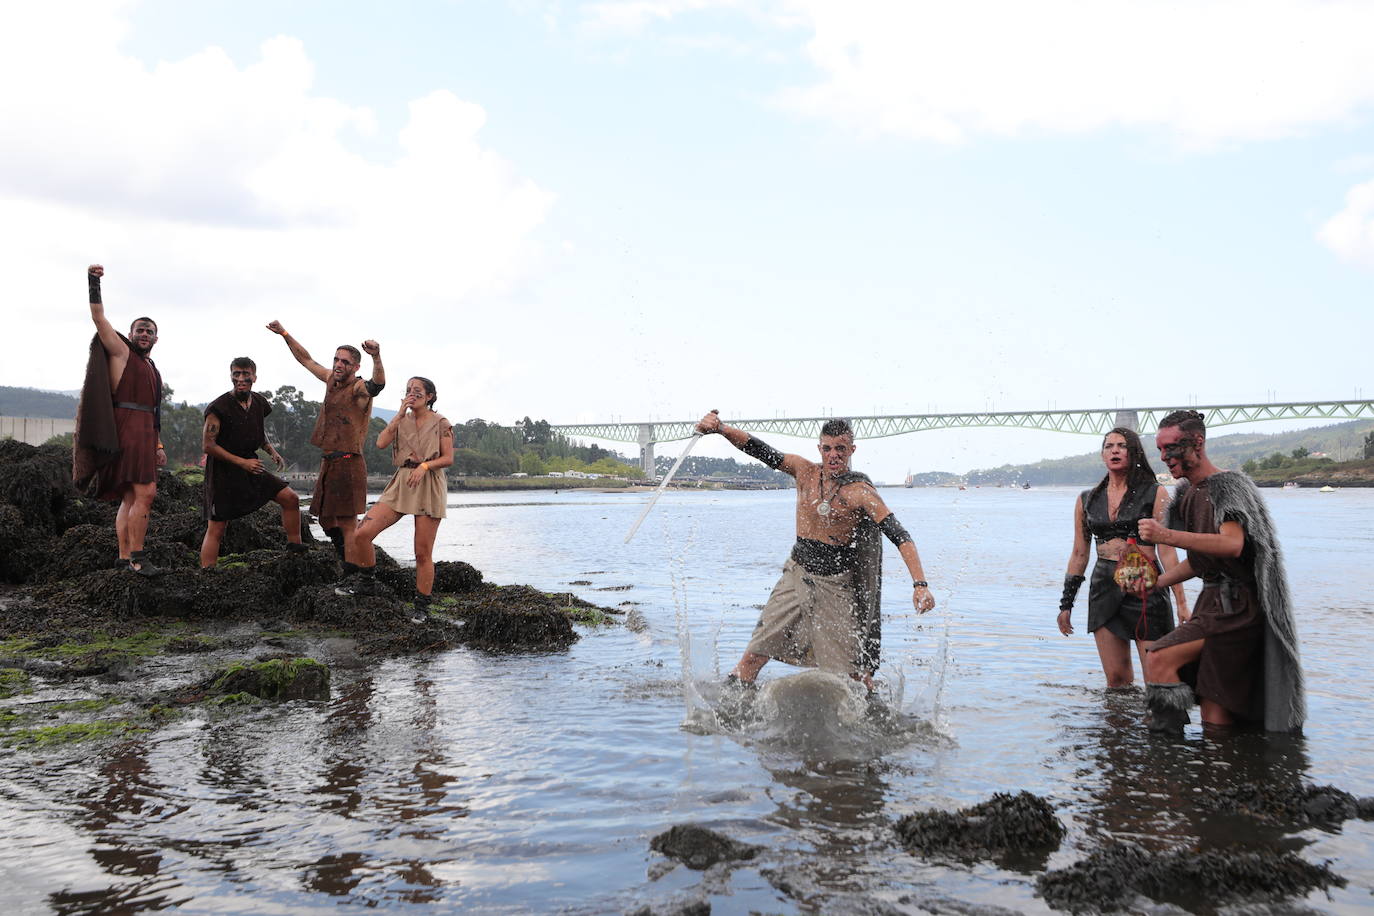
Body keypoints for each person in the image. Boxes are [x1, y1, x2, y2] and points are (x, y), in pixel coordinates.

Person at [695, 412, 936, 691]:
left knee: (852, 677)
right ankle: (728, 710)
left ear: (851, 450)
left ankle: (873, 721)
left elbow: (900, 536)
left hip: (836, 586)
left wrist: (920, 585)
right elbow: (761, 450)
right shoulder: (804, 471)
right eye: (828, 448)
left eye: (840, 449)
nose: (833, 455)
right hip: (796, 574)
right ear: (819, 448)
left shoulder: (861, 492)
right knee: (754, 654)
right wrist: (721, 429)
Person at [1138, 409, 1305, 733]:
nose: (1163, 457)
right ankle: (1223, 773)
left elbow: (1232, 545)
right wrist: (1157, 583)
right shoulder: (1187, 494)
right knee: (1216, 708)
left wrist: (1166, 536)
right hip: (1212, 605)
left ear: (1197, 442)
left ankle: (1165, 759)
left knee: (1159, 657)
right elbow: (1202, 560)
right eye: (1159, 449)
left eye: (1170, 447)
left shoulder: (1229, 486)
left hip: (1238, 610)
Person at [1057, 427, 1190, 687]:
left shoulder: (1155, 493)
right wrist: (1066, 604)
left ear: (1133, 452)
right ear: (1102, 454)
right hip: (1104, 588)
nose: (1115, 450)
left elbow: (1168, 551)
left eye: (1122, 445)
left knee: (1158, 678)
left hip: (1146, 587)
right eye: (1109, 446)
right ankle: (1118, 727)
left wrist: (1181, 602)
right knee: (1116, 679)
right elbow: (1079, 553)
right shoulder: (1087, 499)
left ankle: (1157, 726)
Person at [265, 320, 384, 572]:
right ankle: (349, 562)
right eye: (337, 360)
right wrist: (285, 333)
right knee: (327, 520)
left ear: (356, 367)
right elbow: (306, 360)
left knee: (347, 523)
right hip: (328, 461)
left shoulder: (359, 387)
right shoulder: (331, 379)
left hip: (349, 462)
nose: (339, 365)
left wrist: (377, 357)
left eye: (345, 362)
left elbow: (377, 385)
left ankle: (354, 574)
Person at [73, 264, 166, 576]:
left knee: (130, 497)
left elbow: (154, 411)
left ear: (156, 338)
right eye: (139, 329)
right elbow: (99, 317)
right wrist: (93, 282)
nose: (143, 334)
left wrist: (158, 443)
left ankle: (124, 558)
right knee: (146, 493)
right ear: (129, 334)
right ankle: (139, 557)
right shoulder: (121, 353)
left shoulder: (151, 367)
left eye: (149, 331)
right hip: (125, 430)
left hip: (144, 432)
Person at [336, 378, 453, 615]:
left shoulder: (441, 422)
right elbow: (380, 443)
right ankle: (367, 582)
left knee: (422, 552)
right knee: (362, 533)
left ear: (429, 396)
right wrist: (399, 413)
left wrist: (424, 467)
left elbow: (448, 458)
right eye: (408, 390)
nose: (412, 394)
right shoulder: (402, 420)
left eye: (417, 391)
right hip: (401, 481)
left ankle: (422, 606)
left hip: (428, 483)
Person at [199, 357, 308, 568]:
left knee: (291, 499)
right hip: (223, 473)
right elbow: (208, 446)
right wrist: (242, 462)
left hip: (252, 467)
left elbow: (257, 429)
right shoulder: (217, 408)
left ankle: (295, 548)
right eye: (236, 374)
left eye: (245, 374)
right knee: (217, 527)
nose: (241, 378)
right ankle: (207, 574)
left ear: (254, 377)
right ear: (231, 376)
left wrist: (270, 450)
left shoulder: (258, 402)